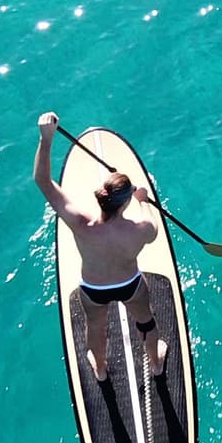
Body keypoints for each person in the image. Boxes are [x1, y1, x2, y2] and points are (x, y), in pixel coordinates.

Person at [33, 111, 168, 381]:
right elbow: (152, 226)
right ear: (125, 203)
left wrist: (46, 139)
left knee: (95, 327)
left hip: (93, 289)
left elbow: (43, 181)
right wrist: (142, 200)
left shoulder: (80, 222)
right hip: (129, 284)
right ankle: (155, 363)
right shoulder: (141, 229)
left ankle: (101, 369)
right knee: (147, 322)